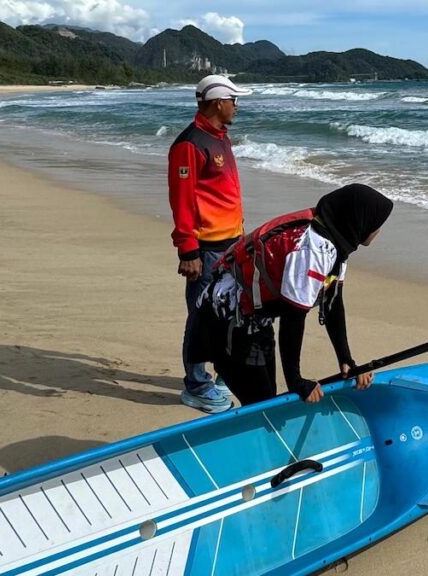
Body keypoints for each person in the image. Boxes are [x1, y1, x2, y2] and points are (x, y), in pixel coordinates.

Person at [189, 183, 394, 406]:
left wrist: (347, 361)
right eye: (377, 224)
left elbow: (333, 303)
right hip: (226, 316)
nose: (378, 231)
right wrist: (296, 381)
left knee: (265, 399)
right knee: (261, 405)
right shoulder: (313, 249)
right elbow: (293, 318)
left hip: (254, 317)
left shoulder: (337, 240)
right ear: (359, 218)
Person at [168, 74, 252, 413]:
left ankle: (221, 374)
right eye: (234, 100)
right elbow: (182, 200)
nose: (237, 106)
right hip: (205, 248)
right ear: (218, 101)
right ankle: (196, 386)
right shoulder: (190, 144)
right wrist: (188, 249)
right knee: (201, 316)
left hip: (232, 243)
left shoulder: (221, 138)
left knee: (229, 311)